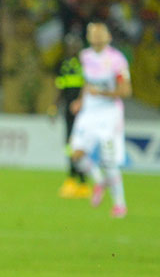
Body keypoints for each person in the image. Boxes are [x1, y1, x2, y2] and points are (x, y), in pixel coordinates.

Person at [69, 22, 131, 218]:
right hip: (88, 112)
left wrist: (102, 93)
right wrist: (80, 100)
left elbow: (126, 91)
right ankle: (99, 181)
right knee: (76, 155)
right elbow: (87, 83)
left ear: (108, 37)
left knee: (109, 161)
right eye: (93, 34)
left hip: (109, 113)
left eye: (99, 34)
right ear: (89, 37)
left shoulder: (117, 60)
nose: (96, 37)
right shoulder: (85, 56)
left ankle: (120, 204)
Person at [55, 34, 89, 198]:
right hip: (68, 110)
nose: (71, 48)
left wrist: (82, 102)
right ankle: (72, 178)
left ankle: (82, 181)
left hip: (82, 111)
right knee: (69, 144)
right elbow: (60, 87)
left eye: (74, 45)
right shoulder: (65, 65)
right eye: (69, 45)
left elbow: (87, 87)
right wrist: (54, 105)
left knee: (80, 144)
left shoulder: (85, 65)